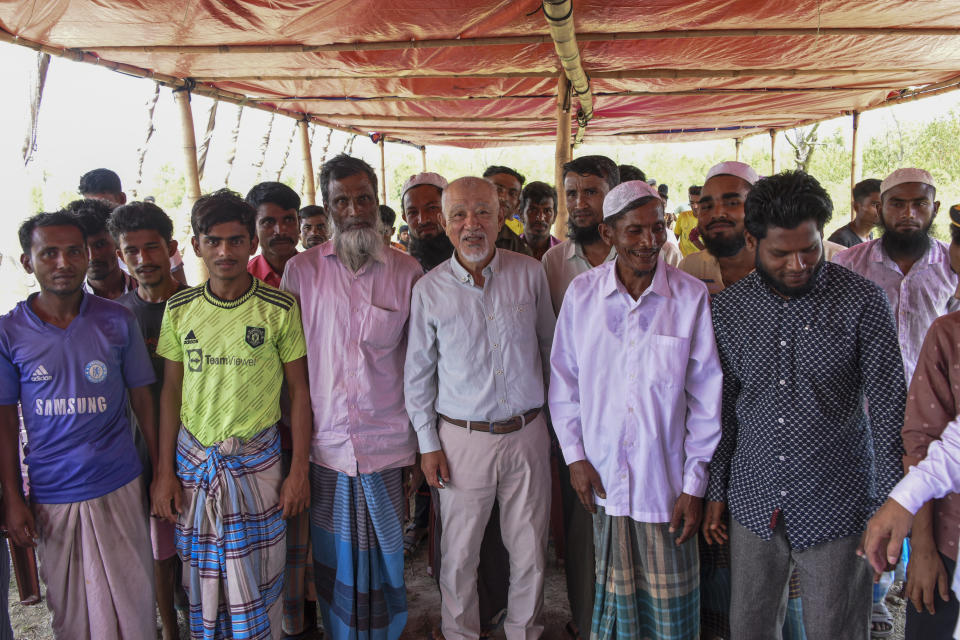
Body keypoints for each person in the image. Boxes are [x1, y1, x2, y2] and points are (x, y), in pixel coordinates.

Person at [705, 170, 906, 640]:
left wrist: (889, 504)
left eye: (810, 248)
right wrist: (716, 489)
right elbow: (723, 410)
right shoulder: (729, 309)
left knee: (835, 629)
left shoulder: (862, 302)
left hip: (838, 500)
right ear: (753, 241)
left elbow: (891, 407)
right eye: (780, 253)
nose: (798, 263)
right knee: (749, 627)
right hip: (754, 498)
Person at [549, 180, 722, 639]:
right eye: (634, 231)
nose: (649, 241)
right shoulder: (582, 296)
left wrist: (694, 483)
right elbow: (564, 384)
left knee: (671, 616)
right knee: (614, 614)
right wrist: (576, 458)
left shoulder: (689, 297)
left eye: (657, 228)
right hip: (603, 480)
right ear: (608, 234)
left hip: (665, 487)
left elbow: (706, 399)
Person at [152, 189, 311, 640]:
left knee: (262, 580)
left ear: (251, 244)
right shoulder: (180, 309)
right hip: (193, 467)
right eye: (214, 241)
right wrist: (164, 471)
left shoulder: (279, 308)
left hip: (258, 468)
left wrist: (298, 469)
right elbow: (171, 391)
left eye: (236, 241)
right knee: (201, 584)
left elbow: (299, 393)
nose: (225, 252)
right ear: (197, 244)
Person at [405, 177, 555, 640]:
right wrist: (428, 445)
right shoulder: (429, 290)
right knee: (460, 552)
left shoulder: (529, 273)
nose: (472, 225)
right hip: (460, 440)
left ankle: (523, 631)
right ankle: (460, 633)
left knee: (530, 549)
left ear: (501, 215)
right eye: (460, 215)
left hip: (527, 431)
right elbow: (417, 377)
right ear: (446, 225)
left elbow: (551, 352)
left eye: (483, 212)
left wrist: (552, 430)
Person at [1, 211, 159, 639]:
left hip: (119, 482)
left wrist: (161, 473)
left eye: (74, 251)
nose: (63, 262)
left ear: (88, 254)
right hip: (53, 494)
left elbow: (143, 400)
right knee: (72, 615)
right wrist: (13, 498)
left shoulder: (115, 320)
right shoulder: (10, 333)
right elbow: (4, 423)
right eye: (48, 253)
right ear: (26, 261)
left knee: (134, 603)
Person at [282, 154, 420, 639]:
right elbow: (289, 369)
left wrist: (423, 449)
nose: (355, 209)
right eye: (343, 201)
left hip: (387, 448)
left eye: (364, 198)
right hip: (324, 451)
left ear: (378, 201)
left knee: (387, 563)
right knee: (331, 562)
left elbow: (420, 369)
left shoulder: (408, 272)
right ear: (328, 207)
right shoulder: (300, 273)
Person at [677, 161, 806, 639]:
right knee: (719, 570)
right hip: (709, 446)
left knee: (783, 588)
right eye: (707, 204)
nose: (717, 213)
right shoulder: (689, 270)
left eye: (732, 200)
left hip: (779, 453)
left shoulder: (795, 264)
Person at [110, 201, 189, 640]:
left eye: (152, 248)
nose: (143, 260)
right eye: (132, 251)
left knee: (197, 548)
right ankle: (170, 630)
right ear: (121, 256)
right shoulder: (115, 317)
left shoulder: (197, 305)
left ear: (171, 248)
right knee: (158, 550)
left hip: (196, 447)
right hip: (142, 451)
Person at [835, 168, 959, 383]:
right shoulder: (847, 264)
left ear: (935, 208)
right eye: (897, 204)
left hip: (932, 397)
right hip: (867, 402)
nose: (908, 214)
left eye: (920, 204)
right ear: (881, 209)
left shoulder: (953, 263)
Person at [542, 156, 621, 316]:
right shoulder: (553, 261)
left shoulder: (640, 255)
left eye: (590, 192)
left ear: (614, 195)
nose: (579, 203)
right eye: (571, 194)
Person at [79, 168, 187, 284]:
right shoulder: (83, 249)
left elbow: (180, 290)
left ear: (122, 199)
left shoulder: (156, 239)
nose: (98, 211)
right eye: (90, 205)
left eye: (105, 204)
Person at [64, 198, 138, 299]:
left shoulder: (149, 293)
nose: (92, 256)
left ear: (117, 243)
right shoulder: (69, 305)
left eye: (100, 245)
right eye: (81, 248)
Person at [246, 181, 301, 287]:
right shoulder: (244, 280)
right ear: (253, 228)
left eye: (288, 220)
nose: (280, 231)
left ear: (299, 224)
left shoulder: (321, 271)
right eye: (268, 222)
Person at [402, 172, 456, 272]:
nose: (423, 220)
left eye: (432, 208)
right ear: (405, 218)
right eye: (413, 212)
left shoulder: (472, 261)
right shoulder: (403, 271)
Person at [828, 178, 881, 248]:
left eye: (883, 205)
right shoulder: (841, 240)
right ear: (856, 207)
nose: (880, 210)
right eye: (874, 204)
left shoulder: (869, 235)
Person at [520, 181, 560, 261]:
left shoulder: (564, 254)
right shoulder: (509, 250)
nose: (540, 218)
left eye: (547, 211)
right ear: (521, 214)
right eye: (533, 210)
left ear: (554, 216)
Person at [483, 165, 526, 236]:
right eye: (497, 189)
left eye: (512, 194)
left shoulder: (517, 245)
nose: (504, 198)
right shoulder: (459, 230)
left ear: (517, 205)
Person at [676, 185, 703, 257]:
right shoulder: (682, 216)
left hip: (702, 260)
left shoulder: (709, 219)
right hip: (683, 259)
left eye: (698, 203)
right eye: (692, 202)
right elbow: (675, 238)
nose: (695, 206)